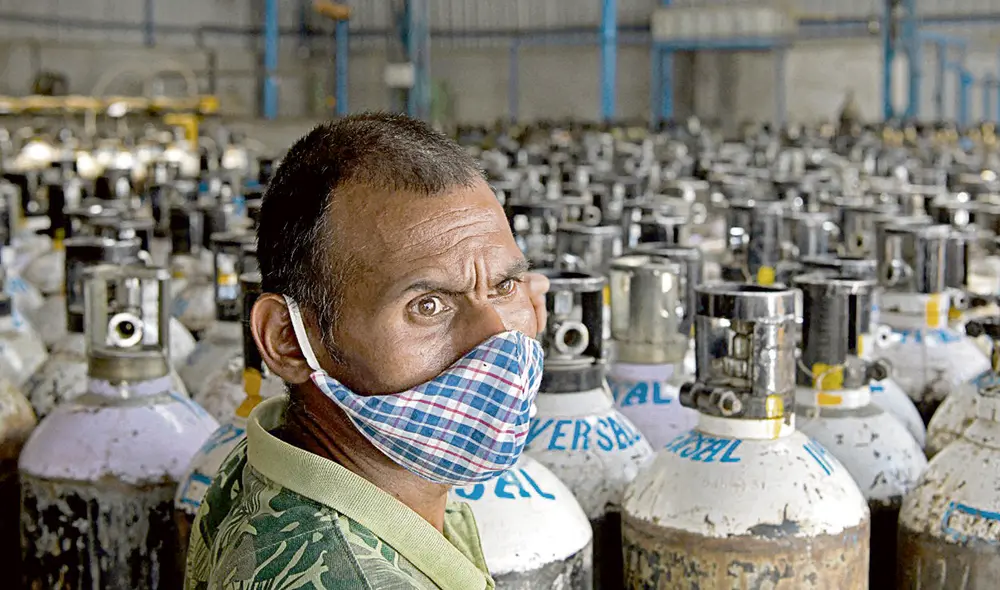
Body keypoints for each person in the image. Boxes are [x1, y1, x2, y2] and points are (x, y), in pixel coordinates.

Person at [184, 112, 550, 590]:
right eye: (429, 304)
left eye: (504, 285)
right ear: (288, 340)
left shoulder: (274, 454)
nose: (498, 338)